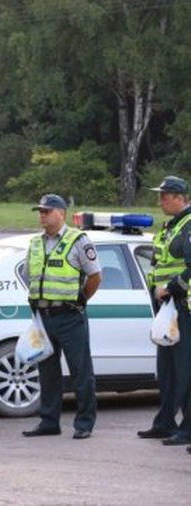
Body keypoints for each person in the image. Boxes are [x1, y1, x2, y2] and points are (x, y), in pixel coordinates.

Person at [22, 194, 101, 440]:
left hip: (69, 316)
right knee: (47, 372)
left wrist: (79, 300)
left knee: (80, 371)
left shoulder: (78, 240)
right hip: (43, 315)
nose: (42, 216)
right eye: (40, 212)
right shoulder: (35, 243)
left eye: (46, 211)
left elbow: (95, 276)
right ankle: (49, 421)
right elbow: (28, 275)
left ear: (61, 213)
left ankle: (84, 423)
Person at [137, 176, 191, 451]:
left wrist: (171, 289)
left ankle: (188, 428)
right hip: (167, 309)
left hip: (183, 307)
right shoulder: (171, 225)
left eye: (165, 196)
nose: (160, 201)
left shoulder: (189, 225)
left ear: (180, 197)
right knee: (167, 370)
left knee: (185, 371)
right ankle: (165, 422)